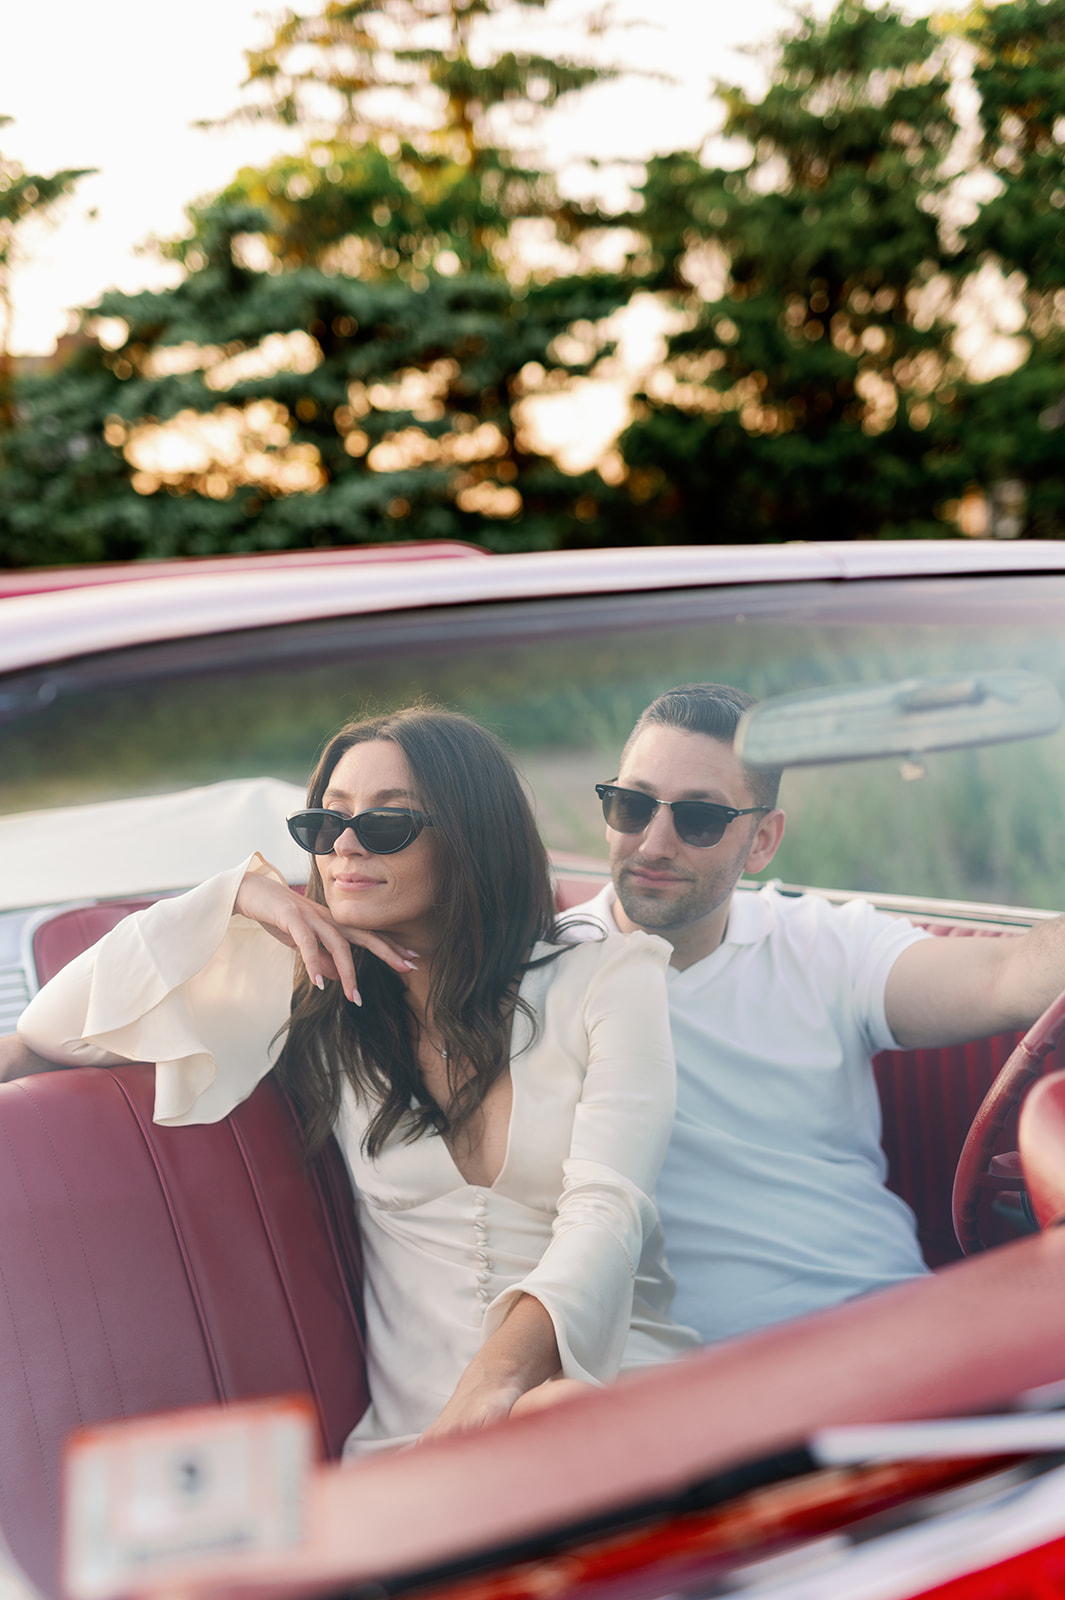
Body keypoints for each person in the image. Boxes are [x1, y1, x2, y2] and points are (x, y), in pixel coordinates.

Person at [13, 708, 697, 1452]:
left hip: (604, 1394)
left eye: (386, 825)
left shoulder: (610, 979)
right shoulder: (317, 1002)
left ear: (472, 837)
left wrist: (492, 1389)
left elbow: (607, 1211)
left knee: (555, 1414)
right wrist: (239, 896)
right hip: (415, 1439)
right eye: (323, 823)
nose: (342, 847)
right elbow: (49, 1031)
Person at [565, 682, 1065, 1346]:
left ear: (762, 840)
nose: (653, 844)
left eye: (699, 819)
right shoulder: (536, 972)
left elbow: (1006, 976)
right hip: (694, 1378)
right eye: (631, 806)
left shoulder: (823, 943)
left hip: (903, 1326)